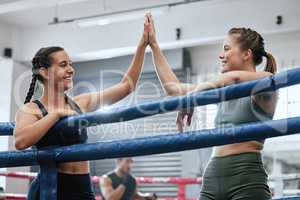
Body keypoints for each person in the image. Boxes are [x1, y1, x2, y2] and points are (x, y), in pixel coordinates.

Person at [13, 16, 151, 200]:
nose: (71, 69)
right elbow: (21, 141)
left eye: (71, 64)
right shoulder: (32, 109)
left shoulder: (80, 103)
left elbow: (127, 86)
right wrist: (55, 114)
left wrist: (143, 45)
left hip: (83, 188)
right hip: (51, 188)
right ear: (45, 72)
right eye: (63, 65)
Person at [146, 13, 278, 200]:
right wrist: (154, 46)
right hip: (212, 177)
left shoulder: (266, 81)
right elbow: (173, 88)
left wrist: (193, 97)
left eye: (226, 48)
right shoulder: (222, 89)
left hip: (246, 179)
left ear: (247, 54)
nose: (221, 55)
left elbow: (231, 78)